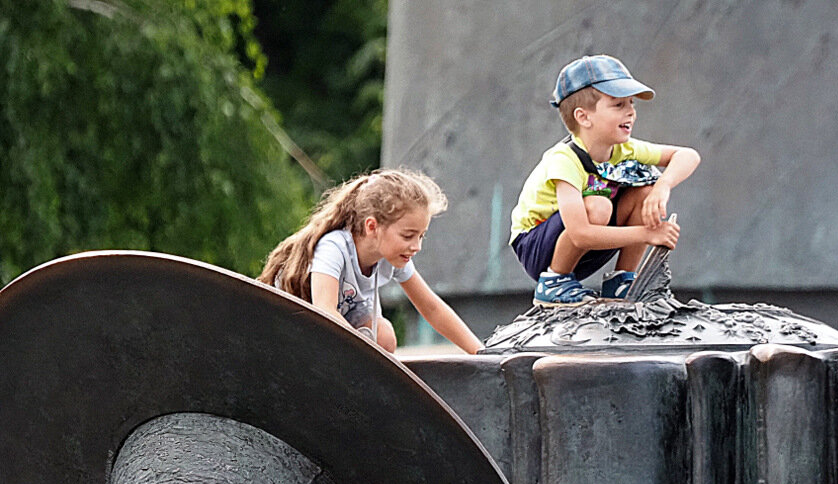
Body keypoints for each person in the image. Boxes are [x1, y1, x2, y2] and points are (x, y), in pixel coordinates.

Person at [510, 54, 701, 306]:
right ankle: (554, 282)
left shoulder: (625, 149)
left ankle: (622, 282)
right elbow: (579, 234)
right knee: (599, 206)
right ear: (583, 117)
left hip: (586, 242)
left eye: (631, 103)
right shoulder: (564, 159)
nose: (631, 112)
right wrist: (648, 234)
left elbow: (688, 155)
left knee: (644, 192)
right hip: (538, 248)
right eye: (618, 105)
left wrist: (662, 187)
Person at [259, 168, 484, 354]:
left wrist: (480, 354)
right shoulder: (334, 248)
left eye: (421, 236)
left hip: (340, 323)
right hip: (295, 324)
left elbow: (432, 308)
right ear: (372, 227)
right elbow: (325, 310)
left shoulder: (392, 257)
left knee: (384, 336)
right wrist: (367, 363)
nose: (416, 246)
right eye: (408, 236)